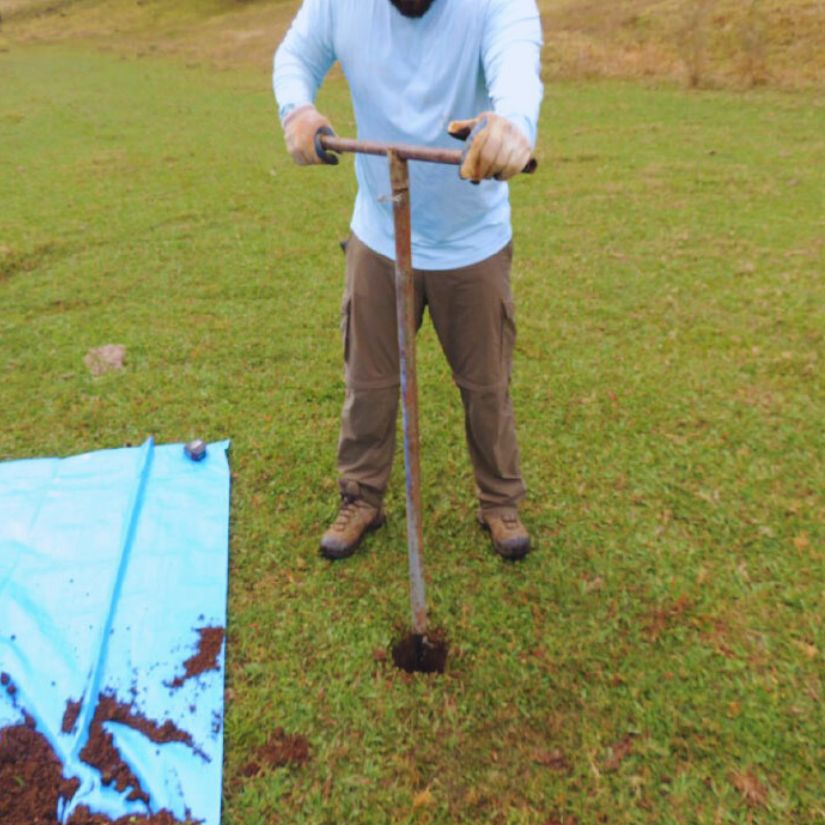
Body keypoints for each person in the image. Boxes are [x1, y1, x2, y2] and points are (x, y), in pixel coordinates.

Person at [273, 0, 543, 560]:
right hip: (378, 229)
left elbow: (517, 73)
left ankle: (499, 501)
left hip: (471, 241)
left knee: (486, 386)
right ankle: (361, 496)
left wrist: (512, 126)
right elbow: (296, 53)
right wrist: (296, 110)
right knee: (368, 383)